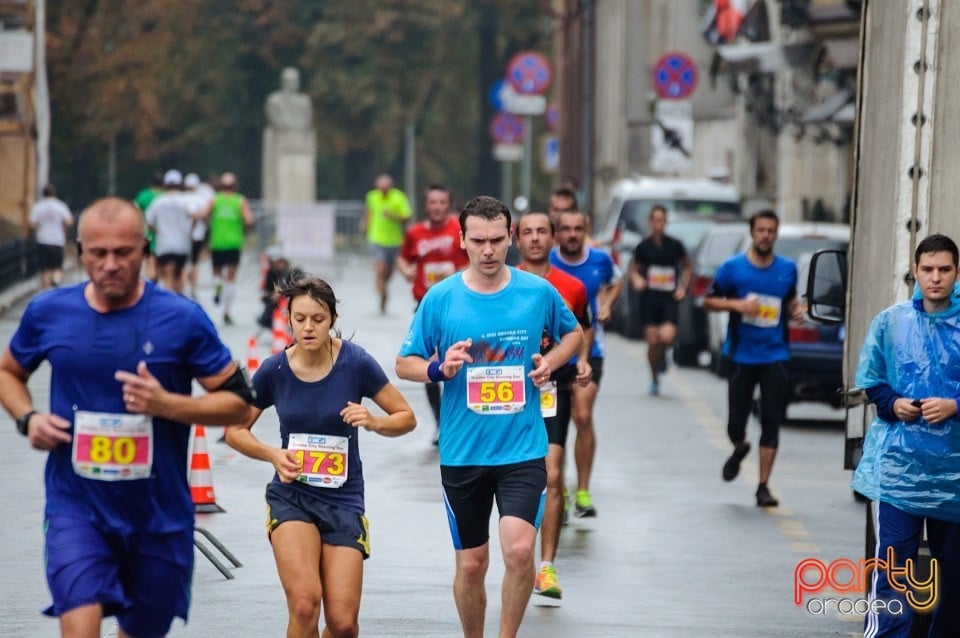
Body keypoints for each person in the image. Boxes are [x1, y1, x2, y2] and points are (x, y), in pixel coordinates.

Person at [0, 197, 252, 637]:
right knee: (80, 625)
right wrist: (27, 419)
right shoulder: (49, 312)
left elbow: (239, 403)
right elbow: (8, 371)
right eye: (98, 253)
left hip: (160, 516)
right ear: (80, 250)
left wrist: (167, 405)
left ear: (146, 248)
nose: (110, 264)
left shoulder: (183, 319)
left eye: (123, 252)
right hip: (76, 508)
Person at [396, 195, 583, 638]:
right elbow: (405, 362)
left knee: (520, 552)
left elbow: (572, 333)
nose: (488, 250)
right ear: (462, 240)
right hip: (463, 453)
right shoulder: (440, 298)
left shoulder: (536, 292)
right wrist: (439, 369)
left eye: (497, 240)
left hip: (522, 447)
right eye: (478, 240)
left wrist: (550, 362)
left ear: (510, 238)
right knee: (473, 564)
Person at [225, 275, 415, 638]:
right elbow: (234, 431)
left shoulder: (356, 363)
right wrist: (273, 455)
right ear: (289, 319)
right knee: (305, 604)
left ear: (332, 318)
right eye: (300, 319)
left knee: (343, 625)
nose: (308, 327)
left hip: (343, 499)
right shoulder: (273, 370)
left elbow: (406, 417)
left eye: (318, 319)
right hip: (292, 497)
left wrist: (373, 421)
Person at [852, 233, 960, 637]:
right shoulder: (891, 322)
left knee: (955, 578)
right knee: (893, 571)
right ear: (915, 272)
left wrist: (954, 406)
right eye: (928, 269)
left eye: (944, 270)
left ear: (957, 273)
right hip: (900, 472)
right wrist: (893, 403)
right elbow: (874, 382)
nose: (936, 278)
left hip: (955, 479)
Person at [515, 211, 593, 602]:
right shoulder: (505, 282)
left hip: (552, 389)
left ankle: (546, 567)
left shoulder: (572, 286)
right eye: (527, 232)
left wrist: (580, 359)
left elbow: (580, 329)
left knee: (552, 473)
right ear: (517, 239)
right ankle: (519, 555)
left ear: (554, 238)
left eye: (541, 232)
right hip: (508, 393)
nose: (534, 239)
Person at [703, 209, 801, 507]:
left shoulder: (788, 269)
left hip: (775, 354)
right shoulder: (733, 269)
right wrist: (738, 305)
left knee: (771, 419)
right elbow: (708, 301)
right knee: (736, 421)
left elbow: (790, 301)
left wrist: (797, 310)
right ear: (752, 232)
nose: (766, 236)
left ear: (776, 234)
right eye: (761, 230)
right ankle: (739, 446)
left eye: (771, 231)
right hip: (741, 354)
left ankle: (762, 485)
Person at [550, 209, 623, 518]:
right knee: (557, 420)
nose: (572, 235)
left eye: (578, 229)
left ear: (586, 230)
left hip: (591, 349)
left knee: (581, 414)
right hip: (552, 352)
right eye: (565, 229)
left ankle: (582, 491)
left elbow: (616, 282)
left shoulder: (601, 260)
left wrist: (606, 304)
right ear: (557, 233)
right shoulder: (546, 263)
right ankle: (558, 487)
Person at [396, 184, 468, 442]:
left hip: (457, 305)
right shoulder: (415, 233)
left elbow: (473, 258)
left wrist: (459, 272)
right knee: (428, 364)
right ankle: (440, 421)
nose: (437, 207)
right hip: (426, 305)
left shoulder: (459, 230)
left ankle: (460, 415)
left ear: (448, 204)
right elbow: (403, 258)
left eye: (442, 202)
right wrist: (405, 270)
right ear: (426, 205)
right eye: (433, 202)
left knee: (459, 359)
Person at [630, 204, 692, 395]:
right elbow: (634, 270)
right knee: (652, 341)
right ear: (650, 222)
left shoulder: (675, 245)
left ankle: (664, 354)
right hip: (649, 298)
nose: (659, 224)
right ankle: (654, 376)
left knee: (666, 337)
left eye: (662, 220)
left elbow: (687, 267)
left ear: (665, 222)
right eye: (655, 220)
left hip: (668, 298)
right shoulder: (643, 246)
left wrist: (682, 287)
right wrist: (638, 280)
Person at [145, 169, 207, 294]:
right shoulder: (185, 201)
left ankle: (169, 305)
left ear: (165, 185)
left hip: (164, 245)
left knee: (168, 277)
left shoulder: (158, 202)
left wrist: (159, 232)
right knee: (179, 277)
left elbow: (149, 222)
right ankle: (179, 303)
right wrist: (190, 231)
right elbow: (194, 217)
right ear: (180, 185)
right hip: (182, 245)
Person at [207, 171, 255, 325]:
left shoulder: (215, 200)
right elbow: (249, 219)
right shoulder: (239, 201)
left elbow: (203, 214)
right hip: (234, 242)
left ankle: (218, 286)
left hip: (217, 241)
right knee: (231, 276)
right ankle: (227, 311)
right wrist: (245, 228)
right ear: (235, 186)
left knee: (217, 272)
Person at [363, 174, 412, 314]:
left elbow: (407, 217)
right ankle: (383, 294)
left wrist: (393, 216)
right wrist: (365, 226)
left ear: (390, 187)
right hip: (376, 238)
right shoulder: (372, 197)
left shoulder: (398, 197)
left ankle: (383, 289)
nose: (383, 190)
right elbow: (369, 212)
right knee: (380, 269)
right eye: (380, 188)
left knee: (388, 274)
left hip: (394, 241)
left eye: (386, 188)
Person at [28, 184, 74, 289]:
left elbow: (32, 224)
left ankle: (47, 291)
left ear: (43, 194)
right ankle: (56, 280)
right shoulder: (60, 206)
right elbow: (69, 221)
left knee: (45, 269)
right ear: (54, 193)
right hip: (57, 240)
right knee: (57, 267)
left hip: (43, 240)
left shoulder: (38, 206)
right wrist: (64, 229)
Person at [183, 173, 215, 300]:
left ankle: (184, 288)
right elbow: (206, 218)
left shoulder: (182, 199)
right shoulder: (202, 200)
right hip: (198, 235)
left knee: (185, 264)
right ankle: (193, 288)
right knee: (195, 263)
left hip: (184, 237)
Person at [133, 171, 164, 282]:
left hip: (147, 234)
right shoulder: (165, 195)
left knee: (150, 262)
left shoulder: (144, 195)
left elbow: (134, 210)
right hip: (163, 235)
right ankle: (157, 283)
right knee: (161, 265)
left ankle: (151, 281)